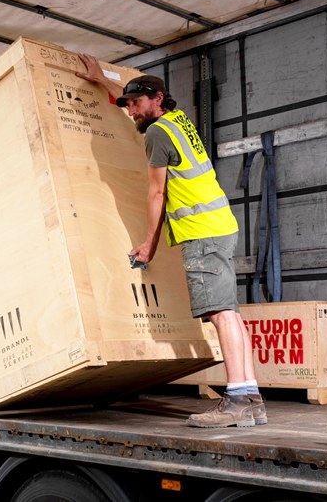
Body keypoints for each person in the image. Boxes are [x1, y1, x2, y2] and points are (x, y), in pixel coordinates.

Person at [76, 54, 266, 428]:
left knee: (221, 313)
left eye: (136, 103)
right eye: (127, 103)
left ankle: (239, 399)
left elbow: (156, 194)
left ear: (156, 100)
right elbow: (129, 101)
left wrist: (149, 244)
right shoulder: (178, 121)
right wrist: (101, 80)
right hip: (220, 225)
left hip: (202, 232)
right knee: (229, 312)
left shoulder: (157, 134)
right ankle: (251, 397)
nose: (130, 110)